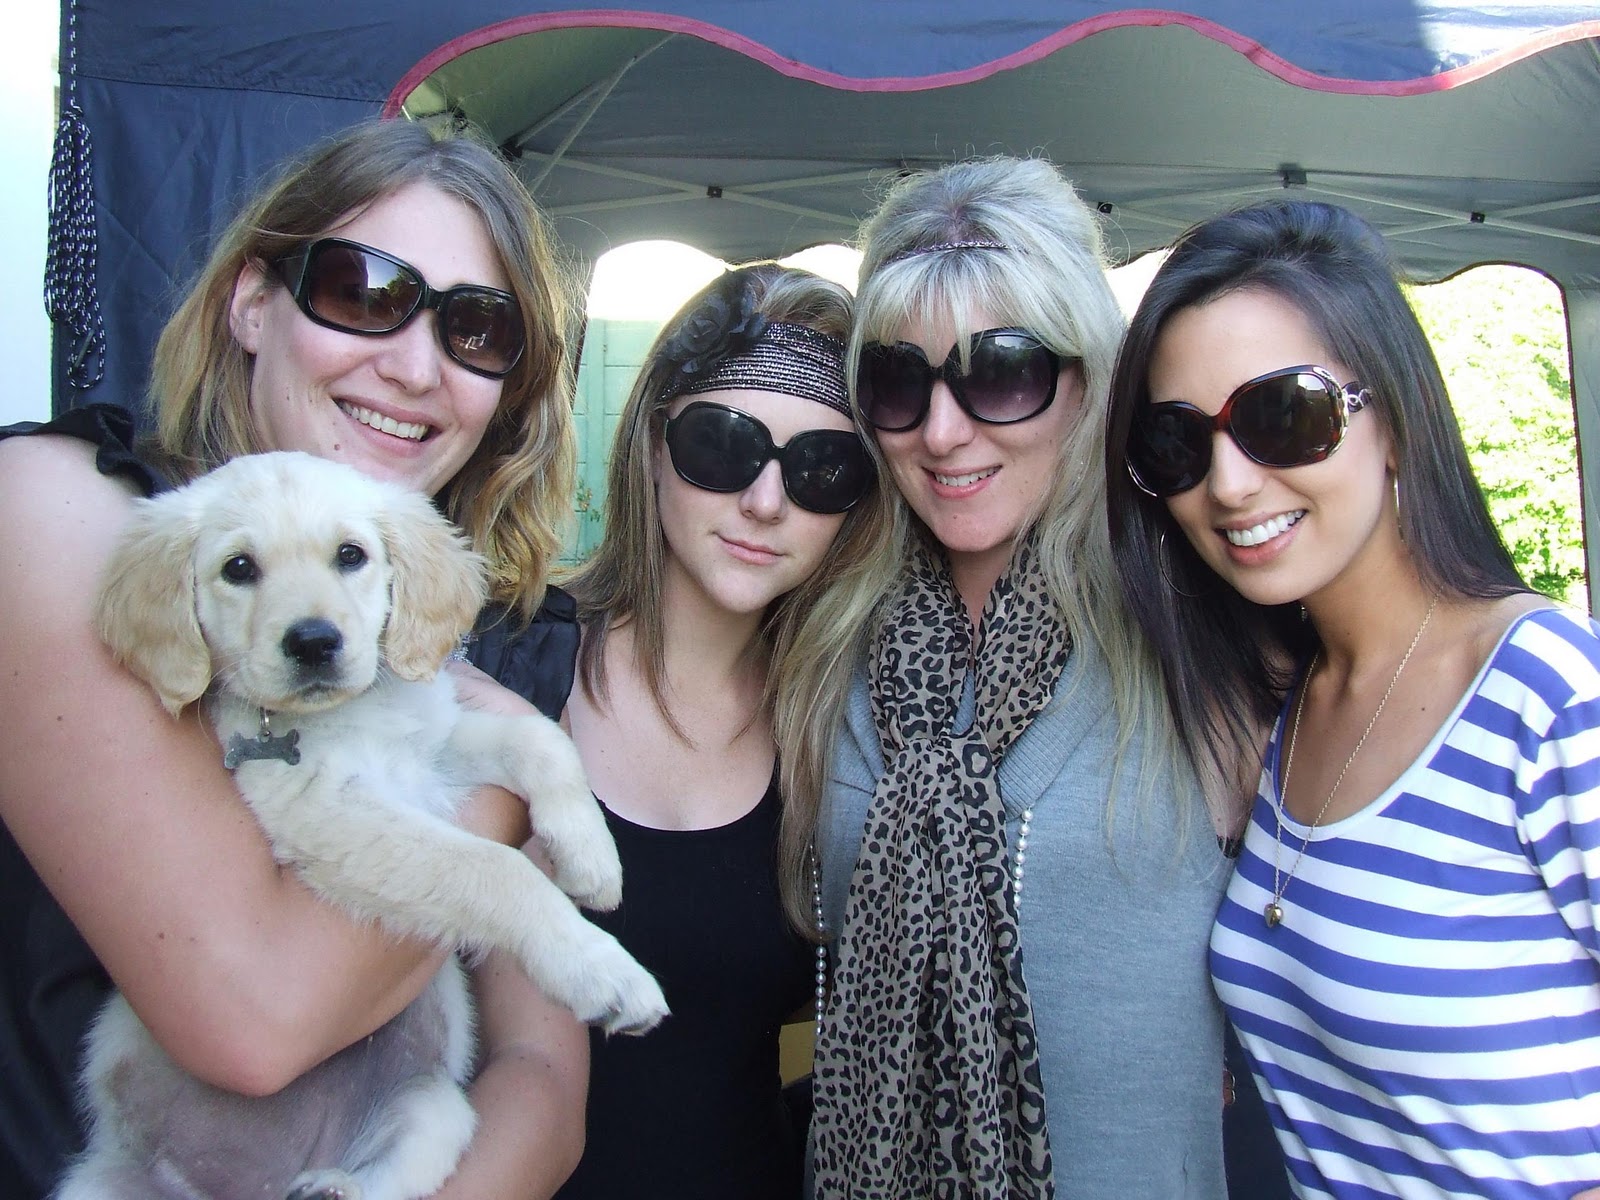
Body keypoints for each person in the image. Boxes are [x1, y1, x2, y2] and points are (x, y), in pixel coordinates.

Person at [0, 118, 594, 1199]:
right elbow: (253, 1020)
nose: (416, 366)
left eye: (478, 330)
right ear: (251, 300)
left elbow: (541, 1073)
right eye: (366, 291)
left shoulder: (495, 636)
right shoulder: (61, 509)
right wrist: (499, 776)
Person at [1106, 198, 1600, 1198]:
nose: (1231, 484)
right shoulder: (1282, 710)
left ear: (1395, 419)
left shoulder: (1545, 697)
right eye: (1177, 443)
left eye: (1282, 414)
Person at [780, 156, 1232, 1199]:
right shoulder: (825, 635)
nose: (942, 433)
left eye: (1002, 373)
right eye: (898, 383)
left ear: (1087, 381)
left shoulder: (1197, 626)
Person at [547, 263, 879, 1198]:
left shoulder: (842, 732)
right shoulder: (510, 668)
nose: (766, 502)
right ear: (653, 443)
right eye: (722, 446)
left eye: (822, 469)